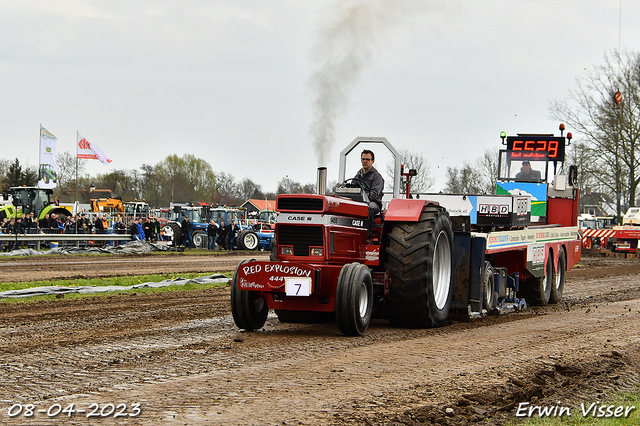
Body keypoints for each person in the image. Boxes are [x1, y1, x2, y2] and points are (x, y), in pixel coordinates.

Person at [352, 149, 385, 239]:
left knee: (367, 208)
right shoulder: (358, 175)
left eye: (367, 159)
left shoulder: (377, 177)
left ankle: (366, 236)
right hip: (359, 201)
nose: (365, 161)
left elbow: (374, 194)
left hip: (374, 203)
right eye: (363, 159)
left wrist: (363, 201)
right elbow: (352, 188)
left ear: (373, 161)